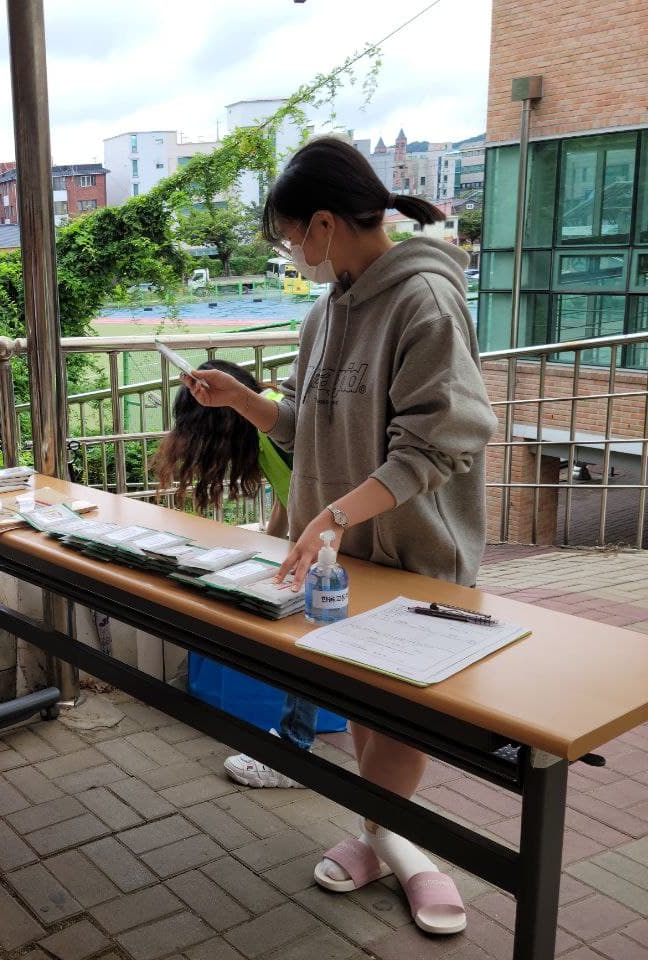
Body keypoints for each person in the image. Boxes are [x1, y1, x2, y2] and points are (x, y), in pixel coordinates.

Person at [184, 136, 496, 937]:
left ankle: (403, 847)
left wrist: (330, 513)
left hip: (416, 554)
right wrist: (243, 401)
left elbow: (440, 443)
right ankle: (384, 841)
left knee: (401, 715)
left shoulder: (425, 301)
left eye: (293, 238)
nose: (295, 254)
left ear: (324, 223)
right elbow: (307, 427)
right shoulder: (325, 311)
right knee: (361, 702)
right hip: (342, 556)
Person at [151, 359, 319, 789]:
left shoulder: (279, 429)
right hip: (319, 543)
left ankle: (293, 750)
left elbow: (317, 491)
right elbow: (294, 491)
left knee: (310, 639)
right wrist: (272, 543)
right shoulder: (269, 433)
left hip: (338, 549)